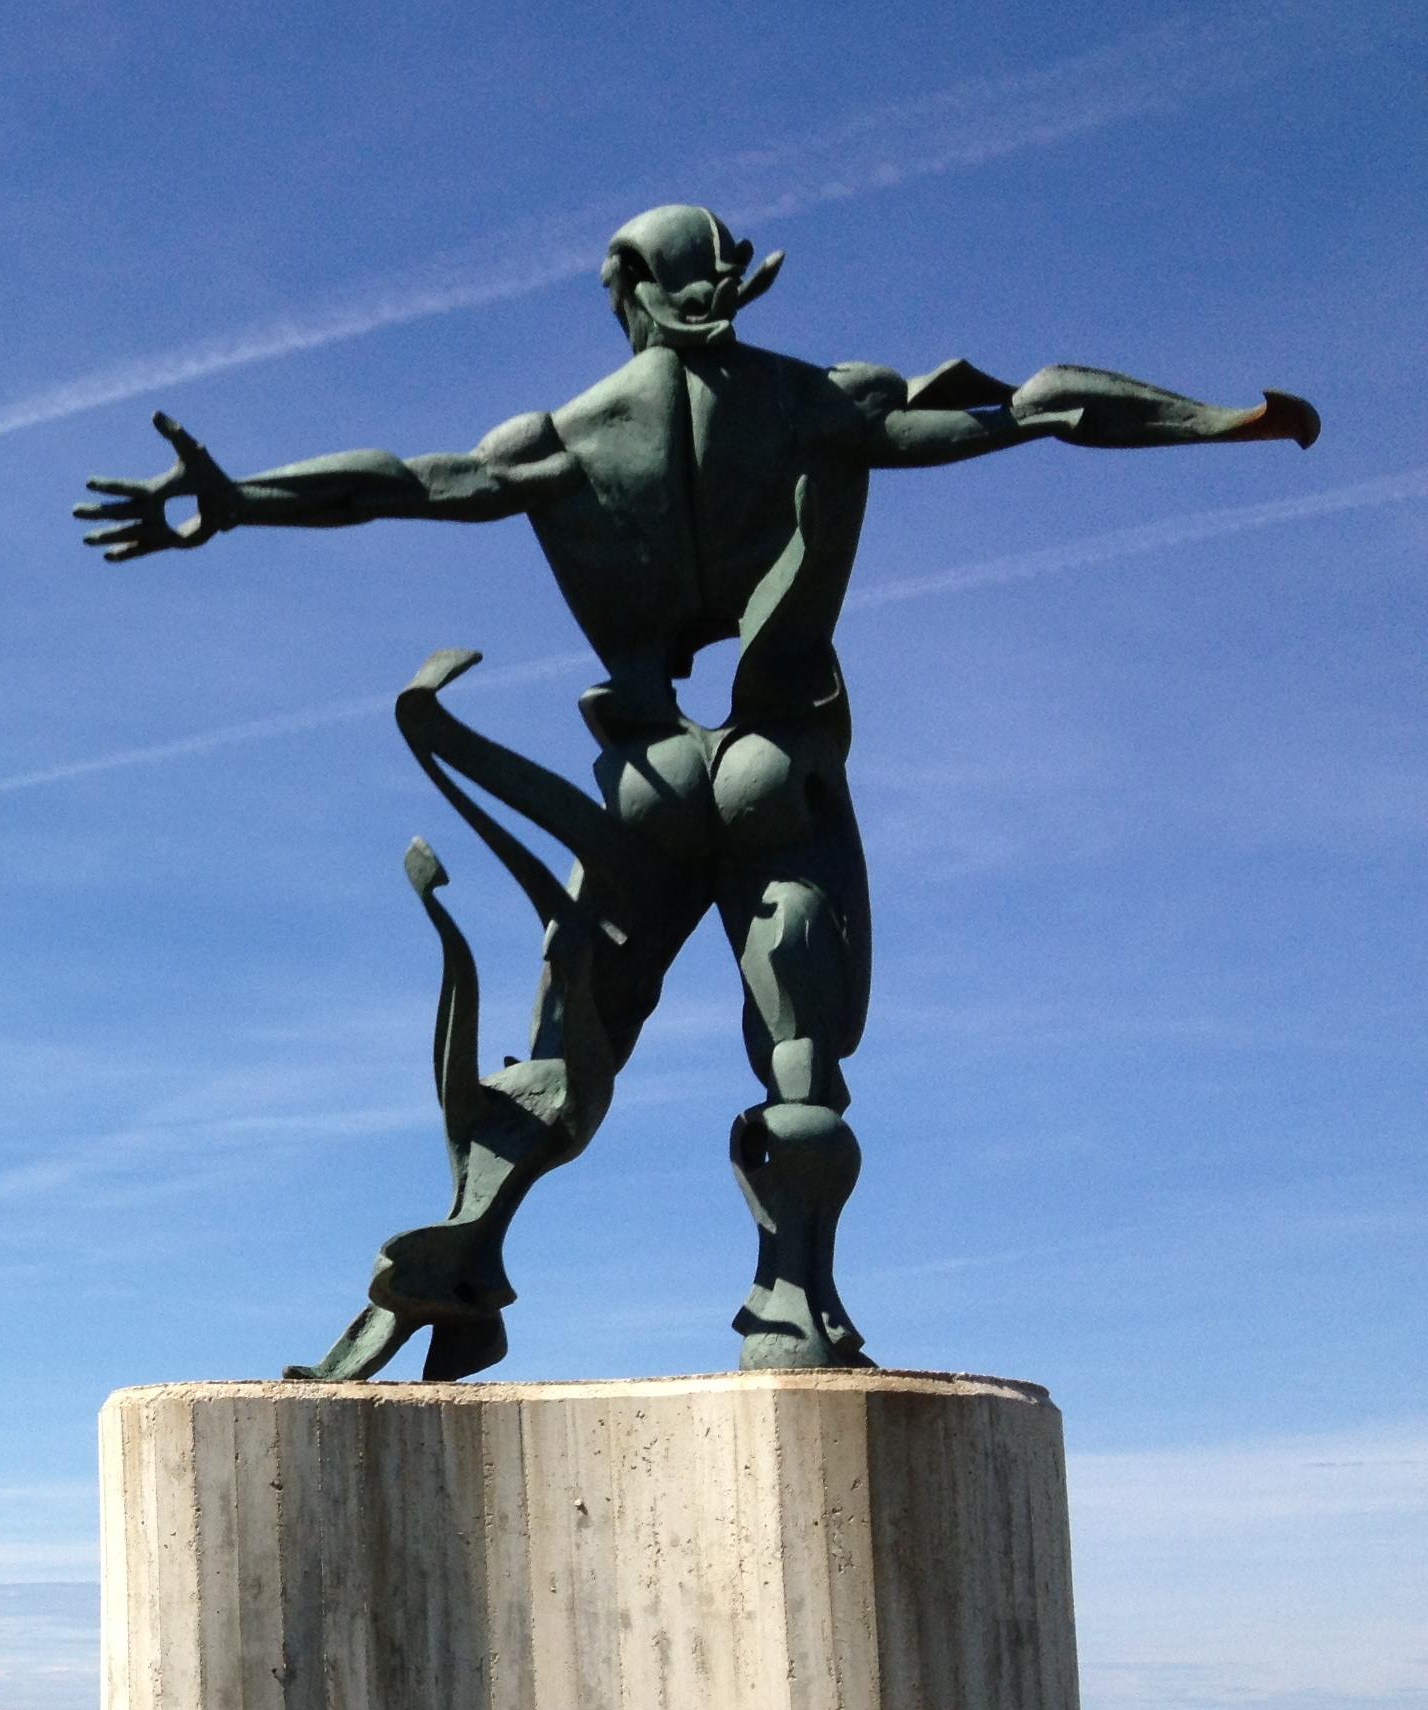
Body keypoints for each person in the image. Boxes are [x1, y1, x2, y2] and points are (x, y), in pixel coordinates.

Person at [77, 204, 1317, 1378]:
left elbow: (402, 481)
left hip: (647, 780)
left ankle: (459, 1253)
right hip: (774, 762)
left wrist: (238, 500)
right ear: (725, 275)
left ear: (622, 294)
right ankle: (792, 1304)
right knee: (801, 1063)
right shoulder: (825, 404)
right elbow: (1041, 407)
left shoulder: (559, 439)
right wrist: (1215, 419)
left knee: (566, 1059)